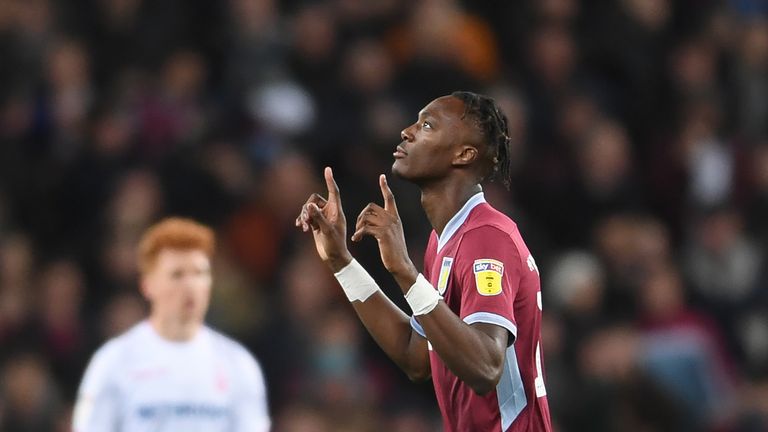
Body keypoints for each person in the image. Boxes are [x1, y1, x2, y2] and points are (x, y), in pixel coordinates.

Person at [296, 91, 552, 431]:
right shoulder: (443, 241)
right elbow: (416, 355)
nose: (407, 131)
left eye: (427, 125)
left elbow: (486, 368)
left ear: (463, 154)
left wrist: (405, 272)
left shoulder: (487, 238)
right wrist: (341, 262)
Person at [72, 217, 270, 432]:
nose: (190, 286)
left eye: (199, 273)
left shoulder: (238, 364)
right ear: (148, 285)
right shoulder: (114, 362)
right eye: (177, 275)